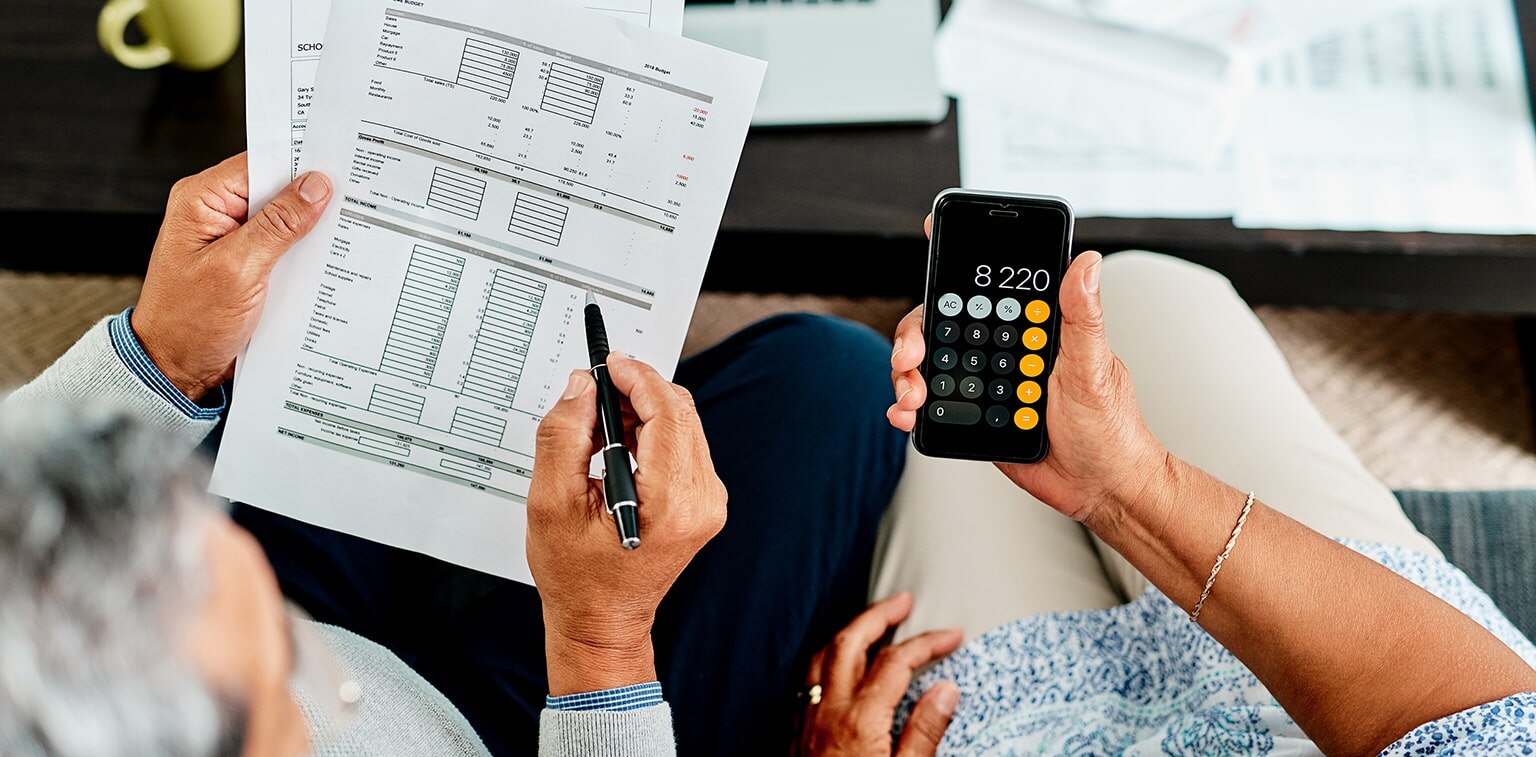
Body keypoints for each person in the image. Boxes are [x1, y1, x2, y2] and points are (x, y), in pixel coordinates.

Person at [6, 153, 913, 754]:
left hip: (349, 634)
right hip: (527, 729)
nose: (312, 683)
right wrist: (601, 648)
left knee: (334, 330)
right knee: (830, 381)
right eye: (286, 697)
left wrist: (157, 357)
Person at [796, 238, 1536, 753]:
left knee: (950, 448)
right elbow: (1471, 716)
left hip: (1025, 724)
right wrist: (1130, 486)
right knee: (1147, 289)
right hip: (1346, 687)